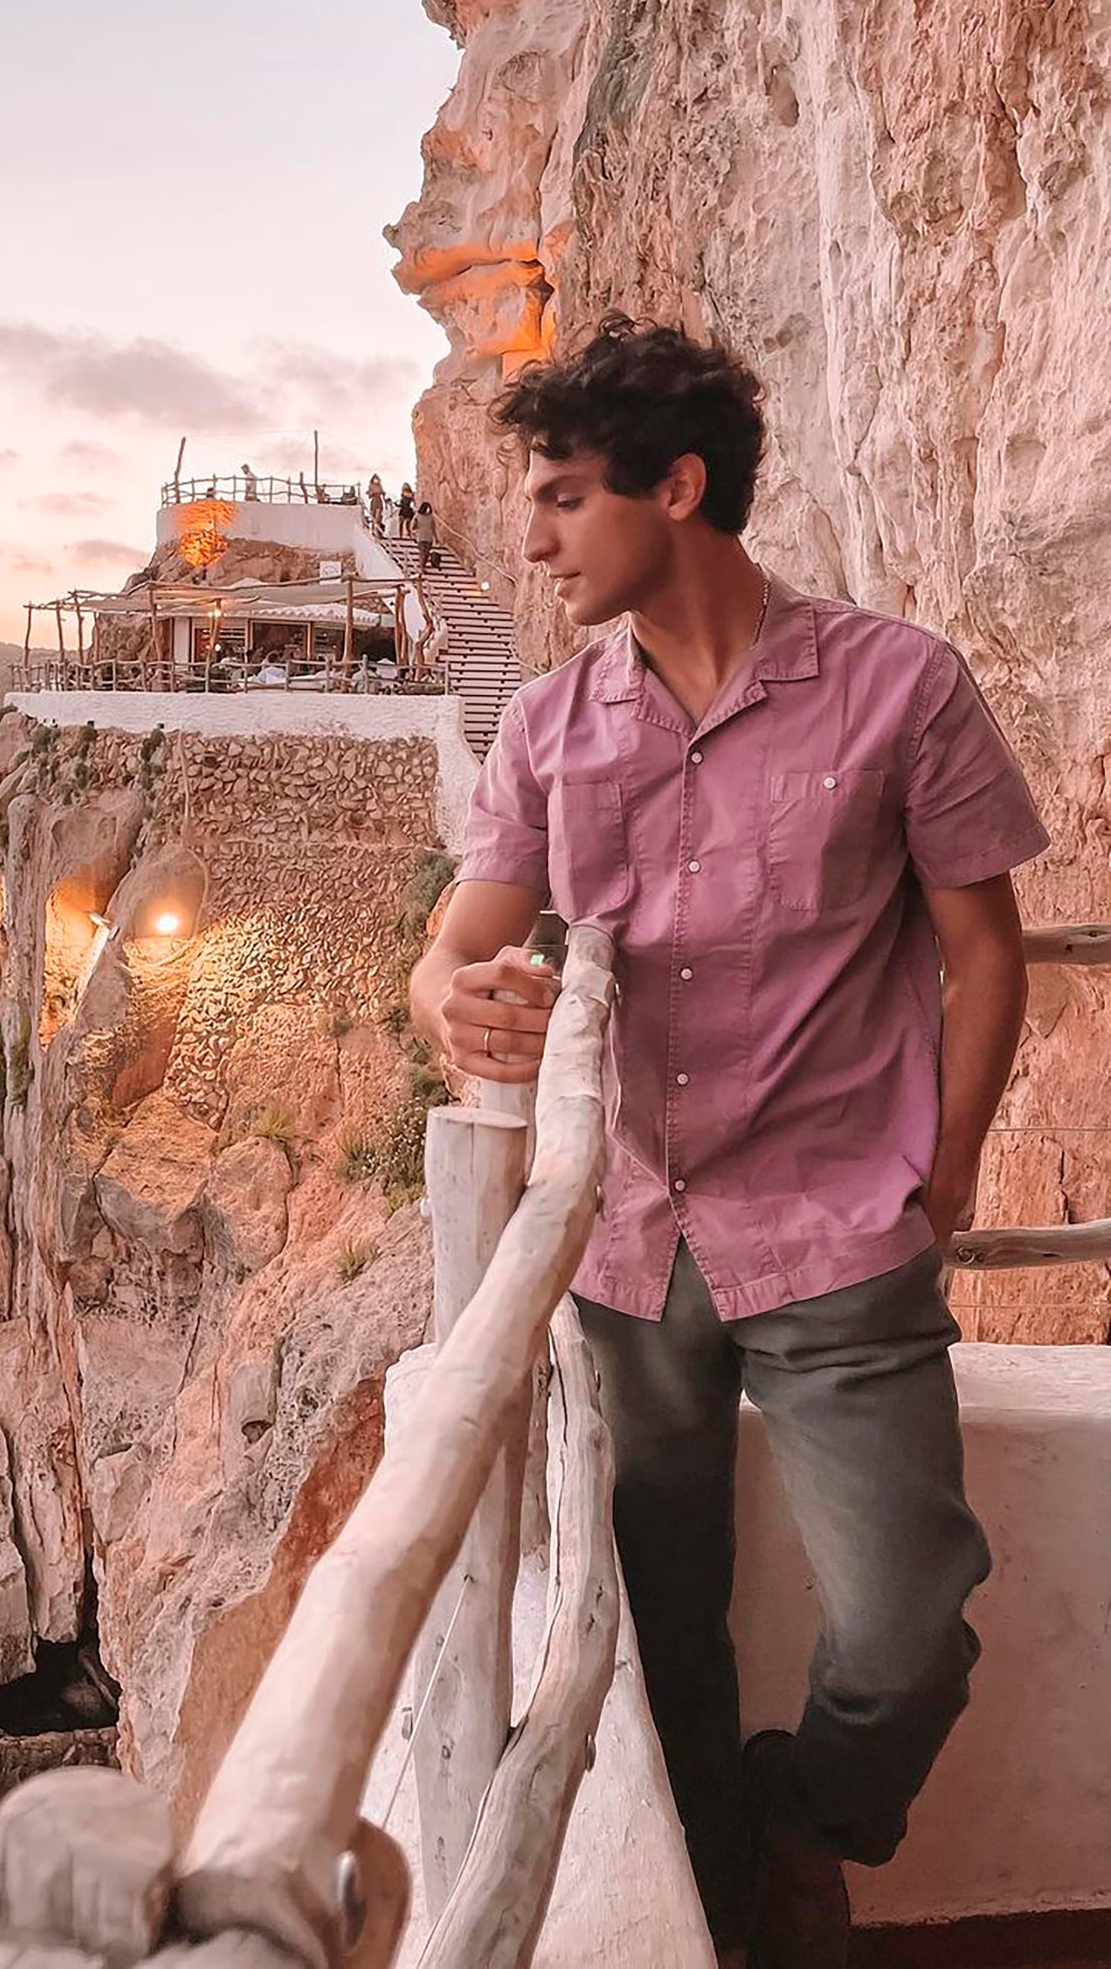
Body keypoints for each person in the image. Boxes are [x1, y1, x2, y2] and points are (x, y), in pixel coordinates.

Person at [407, 316, 1049, 1969]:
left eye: (563, 497)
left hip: (837, 1232)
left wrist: (948, 1169)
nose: (533, 540)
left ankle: (803, 1817)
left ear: (677, 488)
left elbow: (984, 949)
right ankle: (722, 1909)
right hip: (620, 1244)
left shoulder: (901, 686)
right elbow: (456, 944)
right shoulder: (550, 727)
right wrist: (447, 999)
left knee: (908, 1621)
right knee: (658, 1622)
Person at [413, 499, 438, 576]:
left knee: (427, 553)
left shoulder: (431, 517)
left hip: (429, 537)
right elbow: (414, 526)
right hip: (421, 537)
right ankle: (421, 568)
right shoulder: (418, 516)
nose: (428, 510)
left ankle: (423, 566)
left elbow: (433, 527)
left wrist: (436, 537)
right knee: (422, 552)